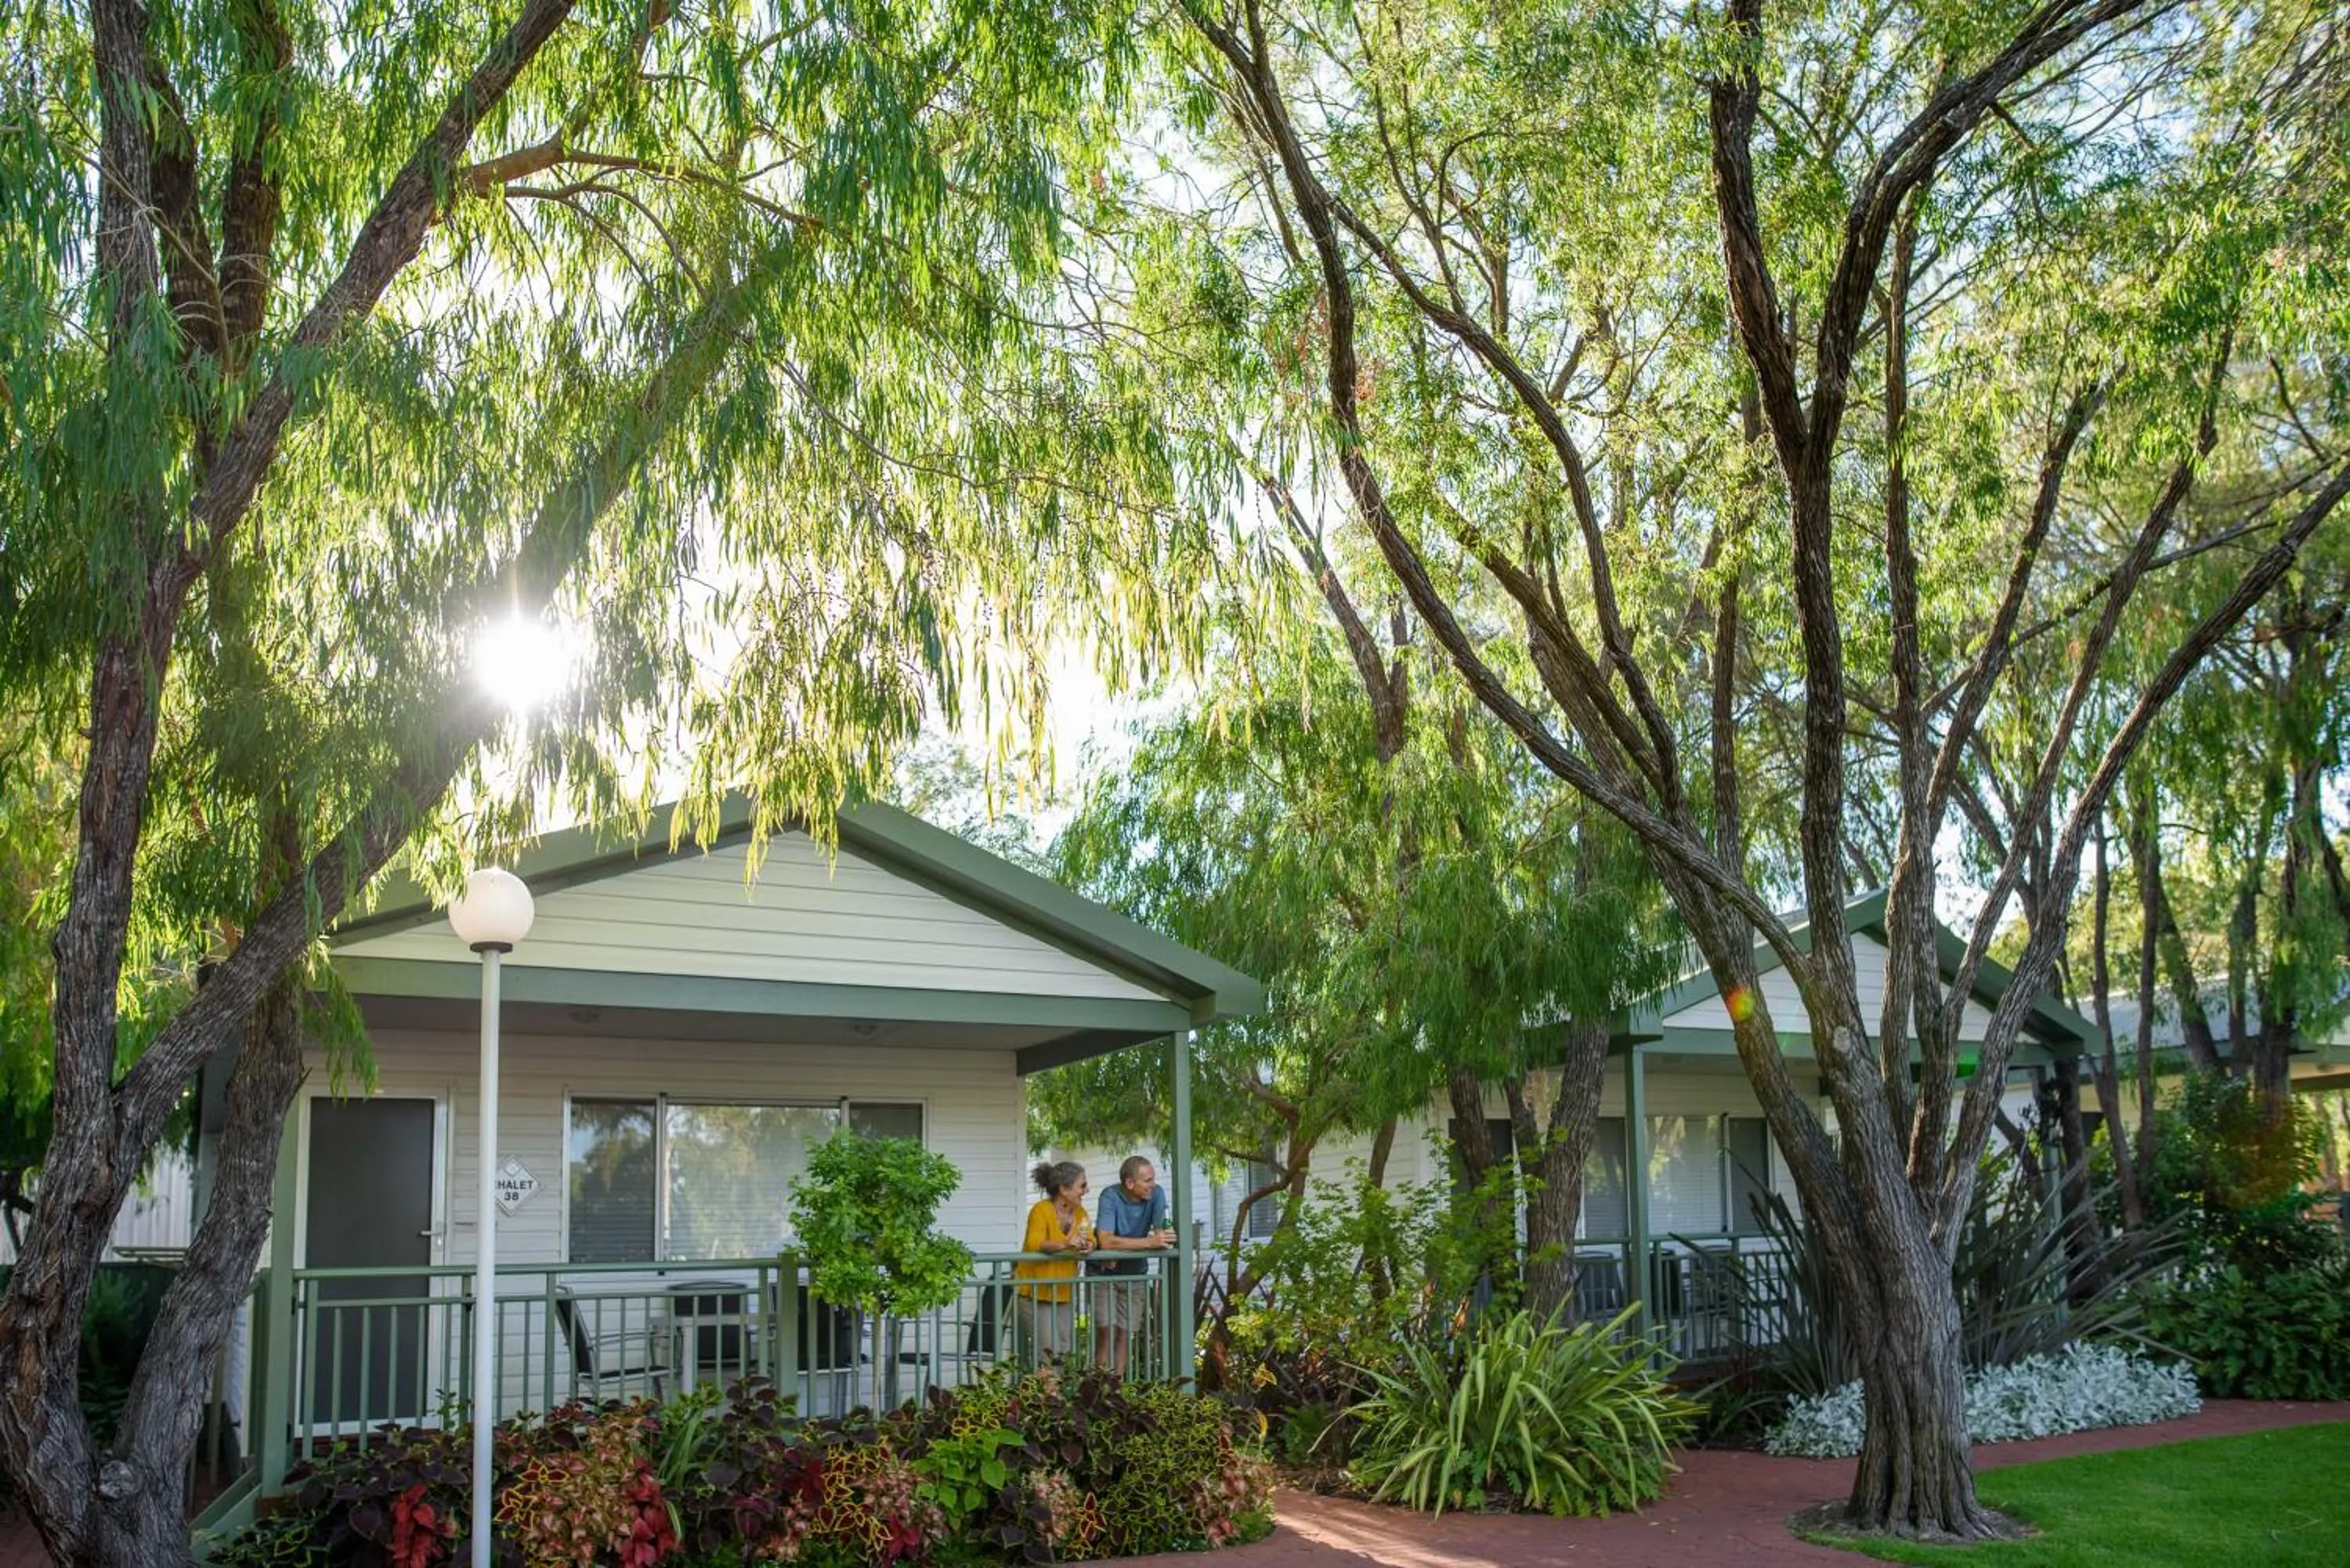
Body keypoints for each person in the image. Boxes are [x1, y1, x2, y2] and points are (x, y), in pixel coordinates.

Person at [1086, 1154, 1174, 1375]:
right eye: (1147, 1180)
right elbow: (1106, 1241)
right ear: (1130, 1183)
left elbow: (1162, 1235)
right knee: (1106, 1330)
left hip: (1135, 1273)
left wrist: (1158, 1239)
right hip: (1104, 1273)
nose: (1152, 1184)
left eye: (1153, 1179)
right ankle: (1098, 1387)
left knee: (1125, 1333)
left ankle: (1114, 1388)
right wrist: (1148, 1243)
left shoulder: (1157, 1194)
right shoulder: (1110, 1196)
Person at [1013, 1161, 1091, 1362]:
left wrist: (1089, 1245)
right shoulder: (1041, 1210)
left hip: (1063, 1291)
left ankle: (1054, 1393)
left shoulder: (1081, 1213)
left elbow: (1090, 1237)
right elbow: (1034, 1243)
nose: (1086, 1191)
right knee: (1048, 1352)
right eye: (1082, 1186)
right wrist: (1065, 1244)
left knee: (1064, 1349)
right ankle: (1048, 1394)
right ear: (1064, 1189)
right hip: (1036, 1293)